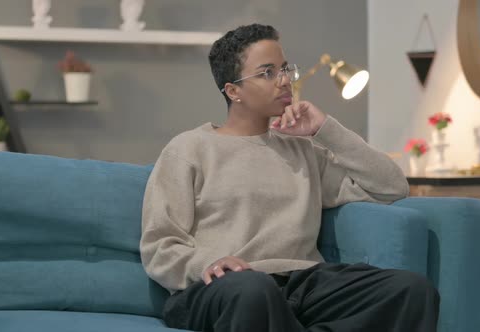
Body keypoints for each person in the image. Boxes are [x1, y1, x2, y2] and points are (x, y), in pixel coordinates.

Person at [140, 23, 439, 332]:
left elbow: (391, 186)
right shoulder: (189, 149)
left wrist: (326, 130)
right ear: (233, 91)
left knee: (411, 290)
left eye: (284, 69)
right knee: (254, 291)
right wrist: (207, 263)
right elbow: (159, 243)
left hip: (301, 284)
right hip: (219, 289)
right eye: (267, 73)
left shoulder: (304, 150)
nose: (284, 81)